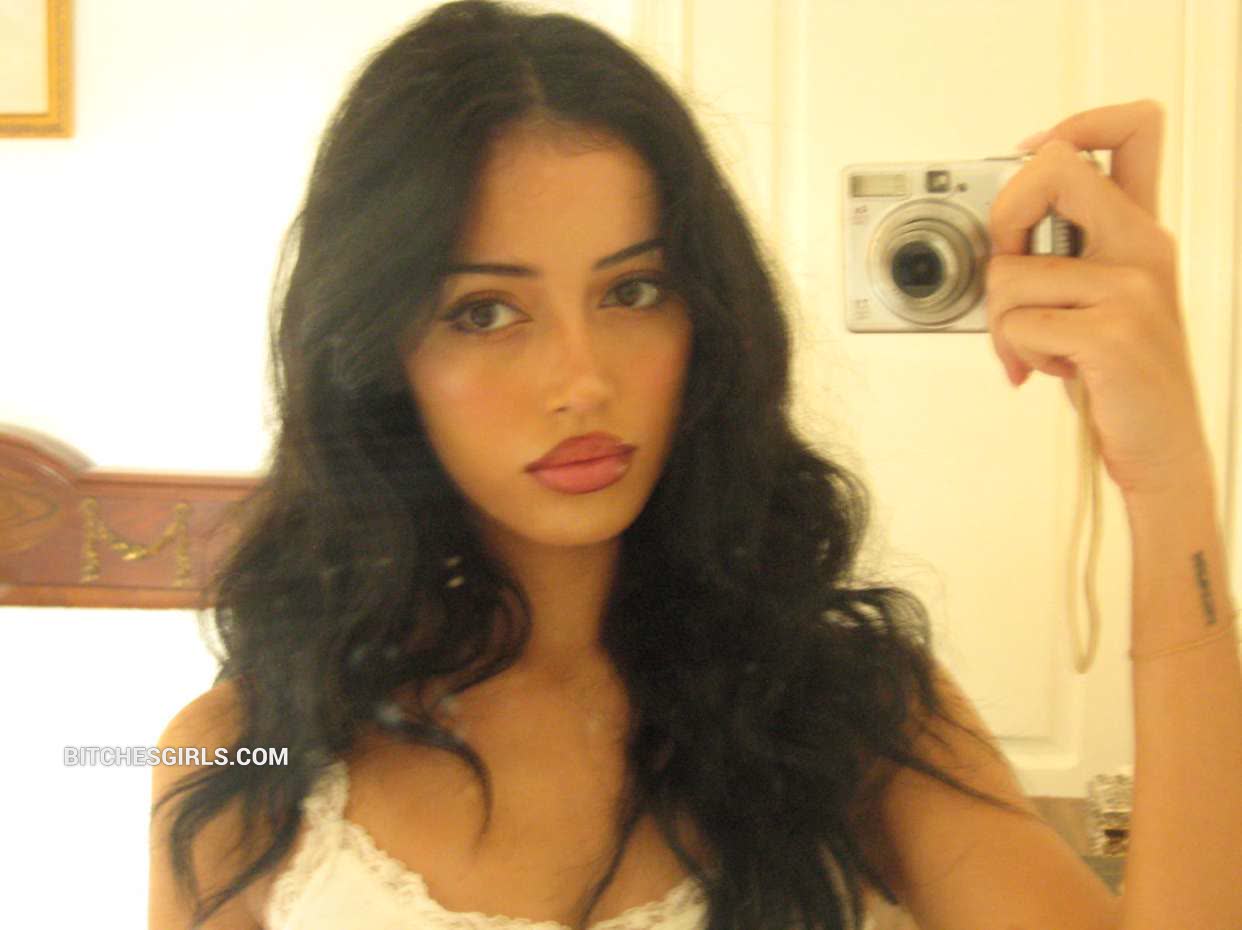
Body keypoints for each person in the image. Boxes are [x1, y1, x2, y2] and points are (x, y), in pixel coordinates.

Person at [148, 2, 1242, 929]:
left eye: (633, 291)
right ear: (377, 356)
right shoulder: (239, 761)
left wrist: (1170, 485)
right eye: (484, 311)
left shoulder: (850, 716)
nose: (582, 381)